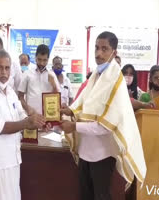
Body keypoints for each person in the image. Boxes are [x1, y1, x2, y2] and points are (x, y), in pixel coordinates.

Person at [60, 31, 146, 200]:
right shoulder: (96, 75)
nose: (98, 53)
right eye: (96, 48)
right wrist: (69, 110)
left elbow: (107, 126)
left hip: (103, 153)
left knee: (101, 196)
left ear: (114, 52)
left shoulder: (115, 81)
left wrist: (74, 126)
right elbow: (84, 102)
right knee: (85, 195)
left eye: (104, 49)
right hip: (86, 150)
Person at [0, 49, 47, 200]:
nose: (4, 72)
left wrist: (38, 122)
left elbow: (21, 117)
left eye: (7, 68)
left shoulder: (11, 93)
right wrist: (27, 122)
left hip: (13, 158)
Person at [18, 44, 60, 115]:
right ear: (35, 58)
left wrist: (54, 85)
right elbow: (20, 96)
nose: (41, 63)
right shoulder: (27, 74)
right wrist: (27, 109)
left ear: (48, 59)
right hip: (31, 117)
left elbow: (57, 97)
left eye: (44, 60)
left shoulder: (52, 75)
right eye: (39, 59)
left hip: (48, 117)